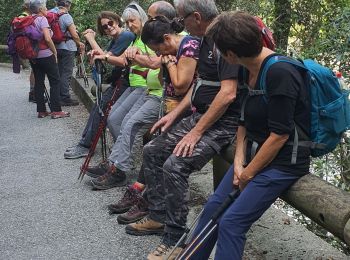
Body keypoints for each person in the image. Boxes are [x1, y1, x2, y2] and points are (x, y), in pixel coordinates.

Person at [124, 1, 242, 259]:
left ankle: (175, 237)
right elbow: (199, 86)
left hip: (224, 123)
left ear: (196, 17)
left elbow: (228, 94)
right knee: (153, 150)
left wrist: (195, 132)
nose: (179, 25)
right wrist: (175, 116)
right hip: (202, 114)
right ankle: (157, 216)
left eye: (181, 19)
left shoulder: (224, 39)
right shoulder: (203, 40)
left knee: (175, 166)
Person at [189, 11, 311, 260]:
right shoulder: (246, 68)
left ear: (231, 54)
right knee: (214, 207)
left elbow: (279, 135)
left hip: (283, 163)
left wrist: (248, 172)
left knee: (231, 223)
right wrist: (238, 160)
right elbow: (244, 118)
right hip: (253, 155)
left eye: (220, 52)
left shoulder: (281, 73)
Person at [108, 11, 200, 225]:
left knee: (157, 153)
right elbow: (162, 79)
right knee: (152, 149)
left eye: (158, 49)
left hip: (184, 111)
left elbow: (180, 85)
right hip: (168, 106)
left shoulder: (188, 47)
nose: (159, 54)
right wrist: (164, 63)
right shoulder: (170, 52)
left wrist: (167, 63)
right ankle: (145, 198)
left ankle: (150, 205)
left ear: (167, 38)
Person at [84, 2, 162, 190]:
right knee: (114, 119)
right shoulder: (135, 38)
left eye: (131, 21)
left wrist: (105, 56)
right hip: (138, 87)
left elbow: (150, 63)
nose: (129, 26)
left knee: (126, 123)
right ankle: (118, 160)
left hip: (146, 89)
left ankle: (120, 165)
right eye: (126, 22)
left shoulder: (149, 38)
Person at [64, 11, 135, 159]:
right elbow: (104, 55)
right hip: (119, 82)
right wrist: (94, 54)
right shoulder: (115, 39)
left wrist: (90, 39)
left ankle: (86, 145)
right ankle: (86, 144)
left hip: (126, 83)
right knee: (99, 107)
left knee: (100, 108)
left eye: (111, 23)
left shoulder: (126, 36)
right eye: (105, 26)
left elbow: (106, 57)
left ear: (117, 21)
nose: (109, 27)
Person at [28, 0, 69, 119]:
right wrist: (54, 51)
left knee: (39, 82)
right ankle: (56, 110)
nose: (47, 10)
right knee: (55, 81)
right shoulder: (42, 19)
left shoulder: (28, 20)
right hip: (46, 55)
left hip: (33, 57)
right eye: (45, 8)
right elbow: (47, 38)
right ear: (40, 10)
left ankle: (41, 111)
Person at [54, 0, 84, 106]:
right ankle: (65, 97)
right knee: (66, 73)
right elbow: (74, 34)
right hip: (68, 48)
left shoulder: (53, 14)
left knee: (59, 72)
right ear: (67, 4)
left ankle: (58, 96)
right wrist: (79, 43)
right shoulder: (66, 16)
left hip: (56, 47)